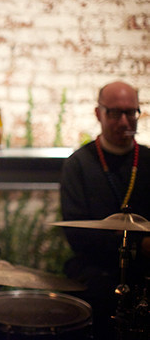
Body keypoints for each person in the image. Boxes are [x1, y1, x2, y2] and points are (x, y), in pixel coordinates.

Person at [60, 81, 150, 340]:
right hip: (95, 272)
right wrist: (139, 244)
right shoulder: (78, 164)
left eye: (131, 113)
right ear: (98, 113)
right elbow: (77, 236)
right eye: (114, 113)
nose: (124, 121)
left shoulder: (147, 160)